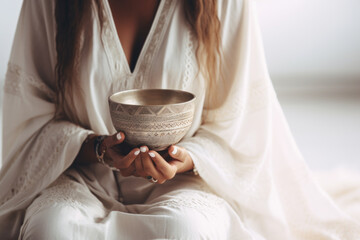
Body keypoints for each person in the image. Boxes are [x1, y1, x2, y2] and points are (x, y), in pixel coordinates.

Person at [1, 0, 359, 239]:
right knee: (54, 228)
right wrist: (97, 148)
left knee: (182, 228)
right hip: (80, 175)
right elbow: (28, 119)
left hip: (185, 180)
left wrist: (186, 159)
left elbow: (242, 123)